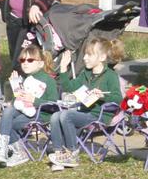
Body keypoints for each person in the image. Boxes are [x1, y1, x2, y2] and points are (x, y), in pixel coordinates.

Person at [46, 38, 124, 170]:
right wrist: (64, 68)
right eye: (85, 54)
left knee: (66, 116)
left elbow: (118, 99)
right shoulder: (86, 74)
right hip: (84, 112)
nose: (85, 58)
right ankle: (59, 153)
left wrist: (102, 96)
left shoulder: (110, 76)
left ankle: (72, 153)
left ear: (102, 57)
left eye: (89, 54)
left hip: (99, 115)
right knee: (55, 116)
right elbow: (68, 87)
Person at [0, 44, 58, 167]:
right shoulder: (24, 79)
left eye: (30, 60)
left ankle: (18, 152)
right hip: (24, 111)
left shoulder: (48, 80)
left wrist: (34, 100)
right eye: (22, 60)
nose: (25, 63)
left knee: (7, 123)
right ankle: (3, 150)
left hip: (41, 114)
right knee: (7, 113)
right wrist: (16, 87)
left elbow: (53, 104)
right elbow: (17, 103)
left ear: (40, 63)